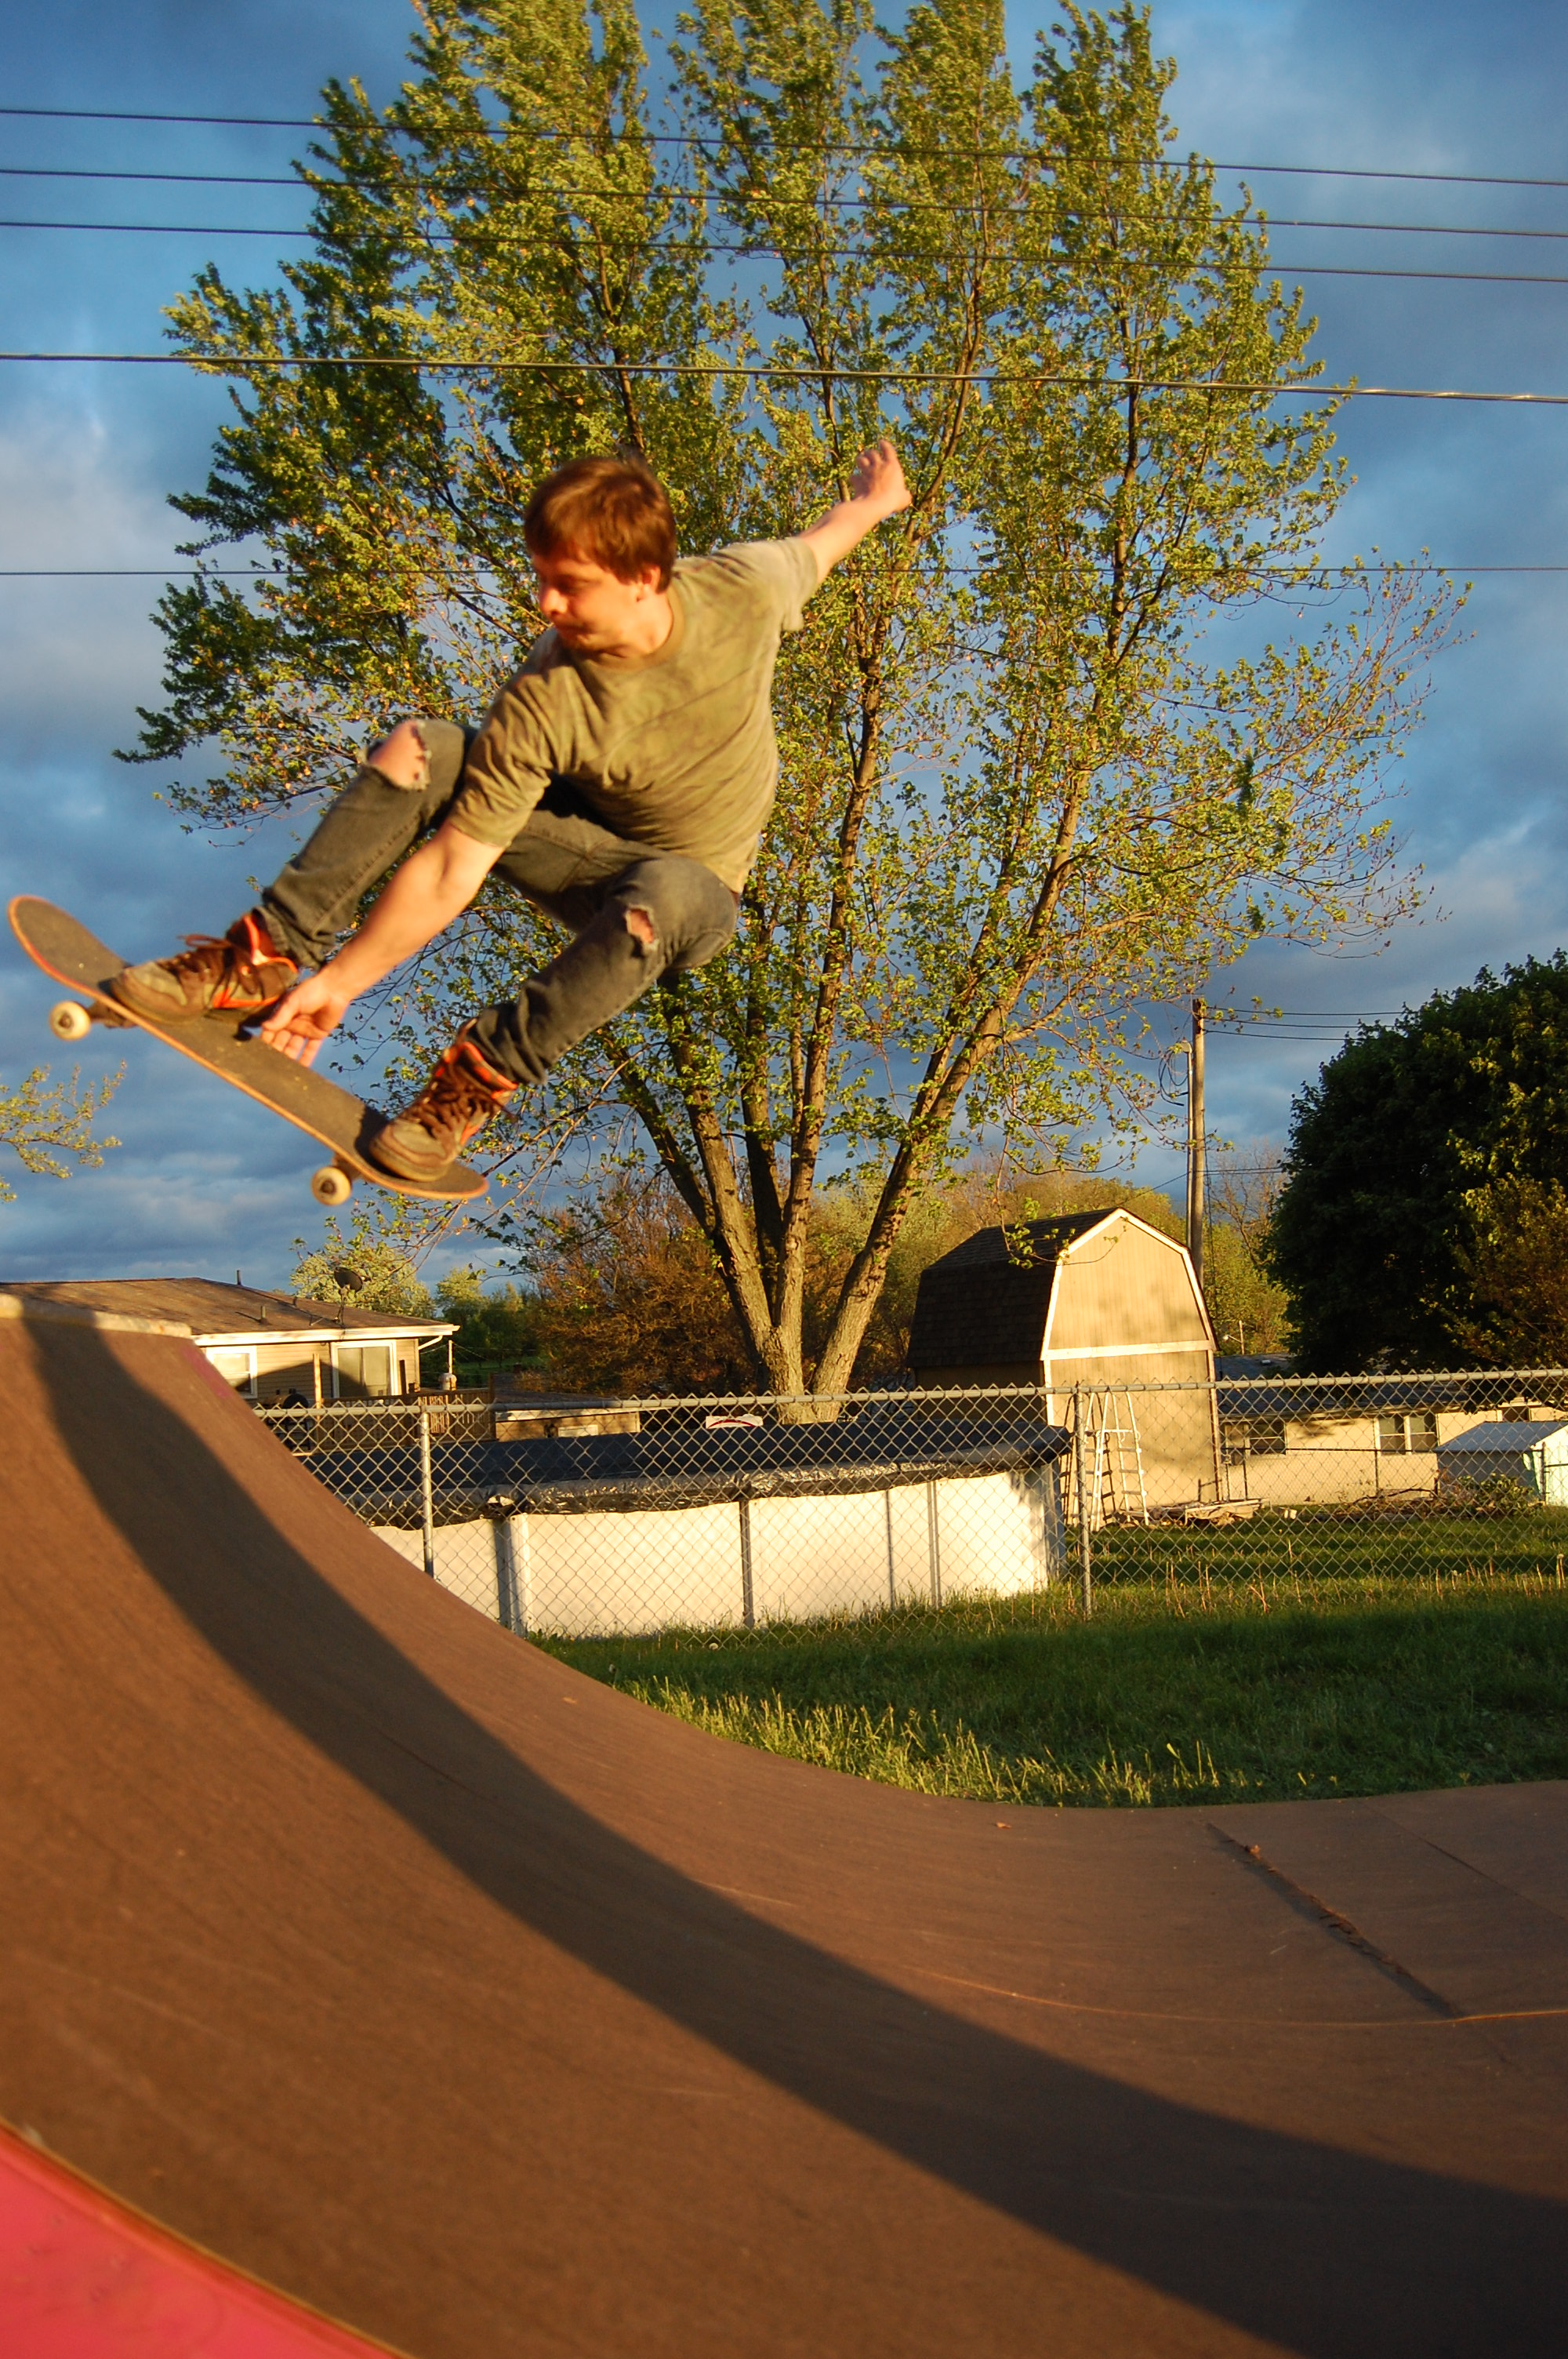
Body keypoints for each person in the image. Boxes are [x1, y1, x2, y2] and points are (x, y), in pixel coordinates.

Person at [111, 442, 911, 1181]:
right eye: (540, 577)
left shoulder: (740, 589)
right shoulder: (546, 691)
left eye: (568, 583)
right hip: (577, 853)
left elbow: (825, 538)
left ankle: (473, 1082)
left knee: (662, 894)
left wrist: (876, 499)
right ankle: (262, 954)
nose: (545, 602)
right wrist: (343, 983)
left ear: (643, 576)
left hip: (695, 891)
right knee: (421, 746)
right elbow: (455, 864)